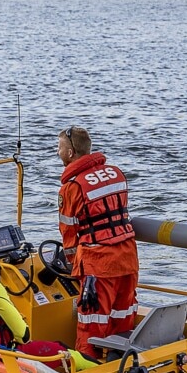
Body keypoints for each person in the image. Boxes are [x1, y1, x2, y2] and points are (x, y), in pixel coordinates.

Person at [56, 125, 140, 359]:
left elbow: (69, 235)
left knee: (91, 323)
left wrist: (74, 266)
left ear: (71, 153)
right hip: (128, 257)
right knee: (123, 316)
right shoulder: (116, 173)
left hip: (98, 264)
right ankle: (120, 365)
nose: (57, 152)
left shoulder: (72, 187)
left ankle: (86, 372)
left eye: (59, 147)